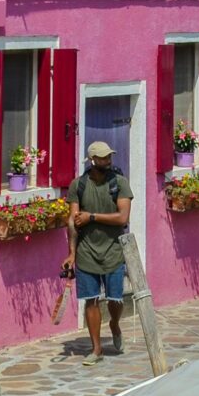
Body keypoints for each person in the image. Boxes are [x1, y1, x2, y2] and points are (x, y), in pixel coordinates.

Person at [66, 139, 132, 356]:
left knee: (115, 300)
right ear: (92, 160)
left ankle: (114, 323)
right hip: (86, 251)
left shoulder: (120, 183)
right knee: (91, 300)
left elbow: (123, 218)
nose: (108, 160)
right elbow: (73, 220)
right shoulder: (78, 185)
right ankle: (96, 348)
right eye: (103, 157)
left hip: (113, 250)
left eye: (109, 156)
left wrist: (92, 217)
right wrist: (71, 254)